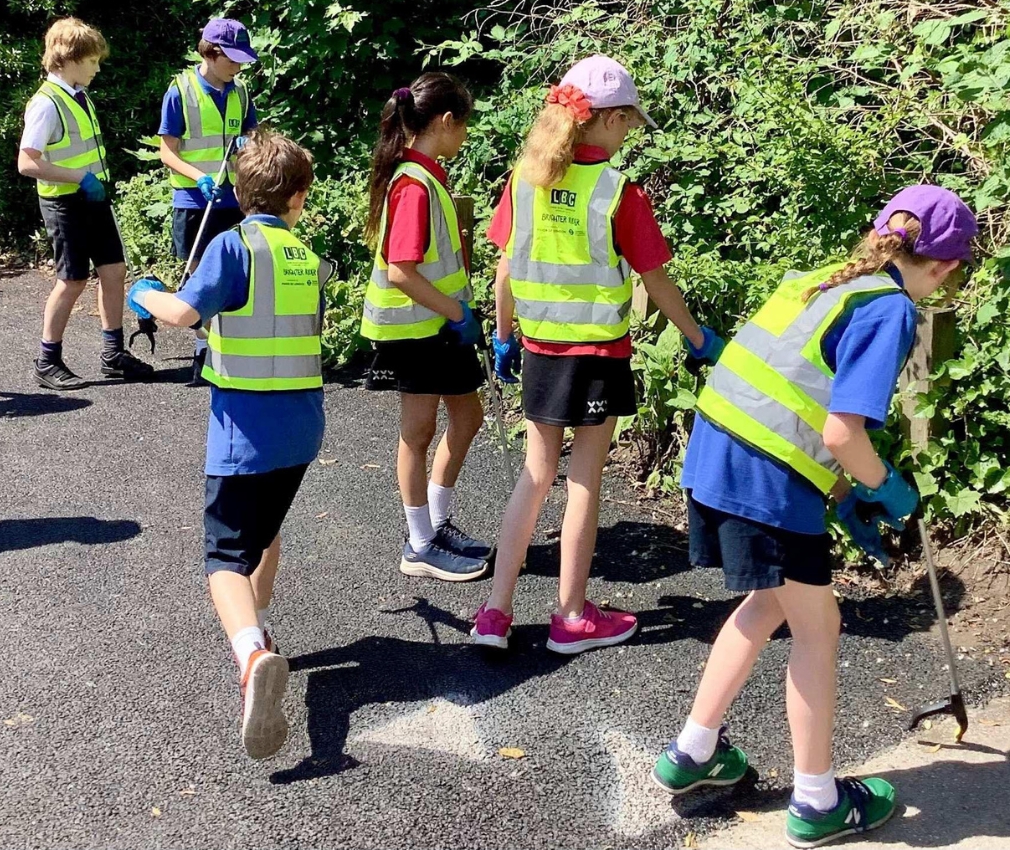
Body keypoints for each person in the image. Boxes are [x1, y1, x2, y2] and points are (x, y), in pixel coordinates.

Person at [651, 185, 977, 848]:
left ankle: (692, 752)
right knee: (819, 627)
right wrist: (886, 489)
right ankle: (816, 801)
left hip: (717, 454)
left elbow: (789, 401)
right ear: (945, 266)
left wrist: (842, 491)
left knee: (767, 604)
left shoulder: (823, 279)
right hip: (764, 478)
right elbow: (839, 431)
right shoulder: (890, 309)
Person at [471, 55, 722, 654]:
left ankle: (495, 613)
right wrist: (697, 337)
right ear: (608, 119)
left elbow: (504, 268)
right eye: (628, 123)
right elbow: (656, 281)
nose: (629, 134)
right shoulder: (617, 193)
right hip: (597, 354)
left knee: (535, 475)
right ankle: (571, 617)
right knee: (583, 479)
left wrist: (504, 336)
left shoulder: (524, 180)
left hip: (539, 348)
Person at [126, 128, 329, 760]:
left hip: (245, 429)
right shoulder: (306, 257)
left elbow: (184, 314)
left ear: (240, 195)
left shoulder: (232, 246)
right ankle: (258, 627)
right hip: (301, 427)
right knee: (264, 533)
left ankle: (250, 655)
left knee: (222, 557)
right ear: (298, 198)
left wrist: (144, 292)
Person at [360, 73, 492, 582]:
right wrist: (457, 313)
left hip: (438, 326)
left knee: (468, 417)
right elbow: (401, 271)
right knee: (418, 433)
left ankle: (436, 523)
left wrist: (456, 313)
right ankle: (418, 544)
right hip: (416, 331)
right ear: (446, 121)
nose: (465, 136)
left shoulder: (427, 177)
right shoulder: (414, 185)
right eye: (464, 125)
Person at [18, 17, 154, 389]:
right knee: (72, 280)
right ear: (67, 59)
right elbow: (27, 163)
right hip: (65, 204)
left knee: (114, 271)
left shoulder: (79, 94)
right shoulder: (47, 104)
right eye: (92, 61)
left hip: (94, 199)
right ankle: (47, 361)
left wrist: (91, 182)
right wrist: (80, 177)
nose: (97, 68)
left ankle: (113, 354)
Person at [158, 18, 260, 384]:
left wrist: (249, 145)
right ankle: (203, 350)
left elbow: (251, 136)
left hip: (233, 199)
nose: (238, 67)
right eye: (232, 60)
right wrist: (197, 177)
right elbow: (166, 152)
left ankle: (229, 348)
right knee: (202, 279)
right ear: (210, 53)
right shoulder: (180, 92)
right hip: (194, 199)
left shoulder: (241, 92)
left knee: (234, 276)